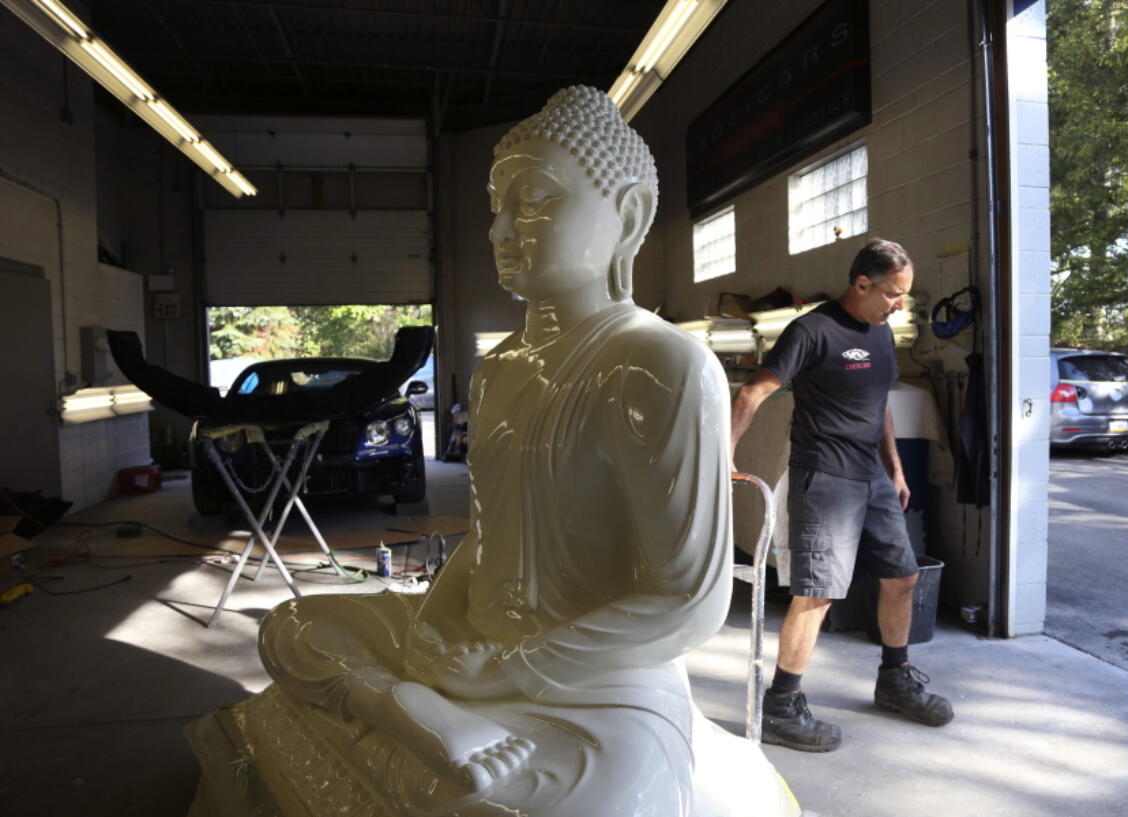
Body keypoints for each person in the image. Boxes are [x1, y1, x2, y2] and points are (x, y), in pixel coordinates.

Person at [238, 86, 799, 817]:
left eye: (533, 200)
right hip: (472, 644)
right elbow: (486, 535)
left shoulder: (661, 366)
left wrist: (514, 666)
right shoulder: (499, 369)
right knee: (292, 627)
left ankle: (405, 720)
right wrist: (436, 628)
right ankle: (407, 711)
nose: (501, 228)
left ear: (626, 216)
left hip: (596, 681)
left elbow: (686, 597)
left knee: (584, 805)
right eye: (496, 206)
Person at [730, 238, 954, 753]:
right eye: (894, 294)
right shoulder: (812, 330)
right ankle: (782, 706)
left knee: (902, 577)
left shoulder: (881, 335)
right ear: (862, 284)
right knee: (820, 594)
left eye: (904, 295)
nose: (900, 305)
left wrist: (895, 470)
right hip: (825, 477)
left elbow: (881, 407)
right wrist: (726, 456)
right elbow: (752, 392)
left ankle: (894, 679)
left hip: (871, 476)